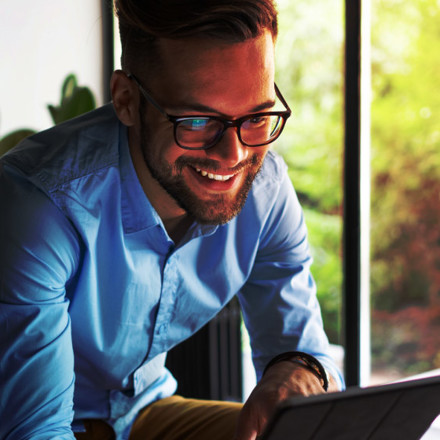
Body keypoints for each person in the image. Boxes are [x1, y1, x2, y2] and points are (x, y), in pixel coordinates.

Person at [0, 1, 344, 439]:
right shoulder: (41, 206)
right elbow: (33, 431)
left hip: (145, 412)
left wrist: (299, 372)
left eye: (256, 116)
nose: (233, 156)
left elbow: (314, 364)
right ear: (126, 100)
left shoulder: (266, 192)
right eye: (198, 120)